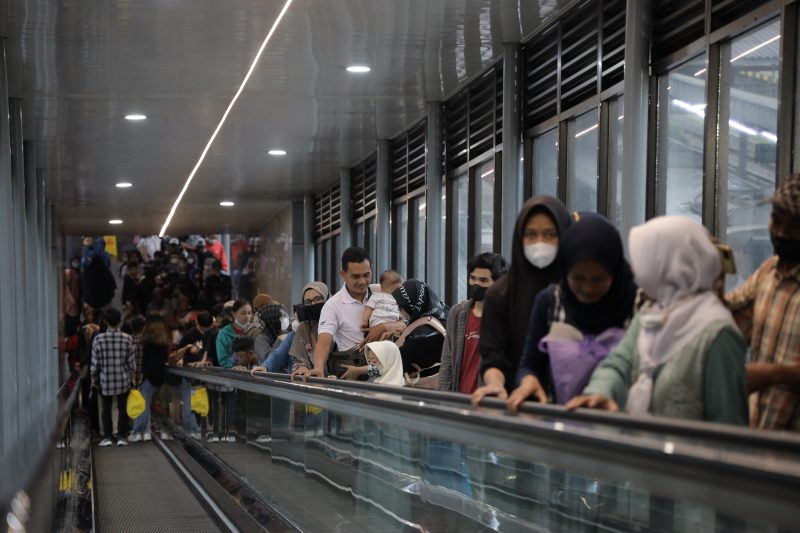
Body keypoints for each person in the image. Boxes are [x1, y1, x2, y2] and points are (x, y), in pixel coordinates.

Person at [567, 216, 748, 425]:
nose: (635, 270)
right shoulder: (650, 315)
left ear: (669, 266)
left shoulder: (718, 334)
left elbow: (728, 424)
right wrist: (600, 392)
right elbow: (618, 365)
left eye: (646, 259)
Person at [506, 215, 639, 410]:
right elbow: (530, 363)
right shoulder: (551, 302)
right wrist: (528, 380)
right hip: (566, 422)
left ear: (615, 272)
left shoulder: (636, 304)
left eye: (598, 279)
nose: (588, 288)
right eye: (578, 278)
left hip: (622, 422)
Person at [472, 196, 572, 405]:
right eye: (531, 235)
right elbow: (493, 356)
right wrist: (494, 382)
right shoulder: (500, 294)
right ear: (519, 238)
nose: (540, 243)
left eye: (550, 235)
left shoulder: (577, 288)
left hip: (572, 407)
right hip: (517, 405)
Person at [726, 174, 800, 431]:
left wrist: (771, 374)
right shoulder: (769, 273)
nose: (780, 232)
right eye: (776, 221)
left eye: (794, 227)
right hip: (760, 435)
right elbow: (732, 317)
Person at [293, 247, 378, 379]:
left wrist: (386, 327)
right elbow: (324, 341)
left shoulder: (381, 292)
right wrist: (318, 368)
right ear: (342, 274)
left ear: (371, 269)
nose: (362, 281)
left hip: (385, 374)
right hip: (357, 379)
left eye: (366, 275)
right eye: (355, 276)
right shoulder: (333, 306)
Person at [439, 253, 508, 394]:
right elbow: (447, 361)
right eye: (473, 278)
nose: (476, 284)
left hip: (491, 402)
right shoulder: (457, 313)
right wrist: (443, 398)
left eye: (483, 280)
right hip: (459, 401)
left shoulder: (508, 317)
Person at [90, 307, 133, 446]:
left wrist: (94, 380)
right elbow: (131, 364)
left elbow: (94, 364)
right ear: (119, 321)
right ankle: (121, 436)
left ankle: (107, 437)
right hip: (123, 379)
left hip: (105, 379)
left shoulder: (98, 339)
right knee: (122, 408)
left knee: (106, 409)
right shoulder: (127, 338)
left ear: (105, 321)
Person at [129, 314, 173, 442]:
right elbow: (165, 360)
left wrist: (142, 377)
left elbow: (145, 362)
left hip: (148, 376)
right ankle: (164, 430)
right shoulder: (164, 343)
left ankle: (141, 431)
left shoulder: (147, 343)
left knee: (143, 405)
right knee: (163, 405)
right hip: (161, 376)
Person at [288, 282, 330, 373]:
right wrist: (302, 368)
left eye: (317, 299)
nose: (313, 304)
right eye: (308, 302)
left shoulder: (338, 323)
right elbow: (299, 361)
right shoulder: (303, 328)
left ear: (327, 299)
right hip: (314, 382)